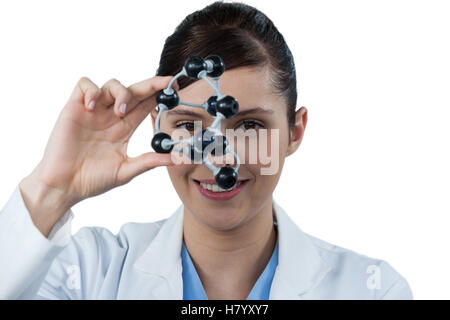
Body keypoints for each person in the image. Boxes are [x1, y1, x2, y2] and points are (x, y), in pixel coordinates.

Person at [0, 1, 412, 300]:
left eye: (249, 126)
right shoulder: (88, 274)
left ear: (294, 132)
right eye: (189, 125)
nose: (219, 158)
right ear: (157, 128)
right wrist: (52, 189)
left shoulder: (372, 289)